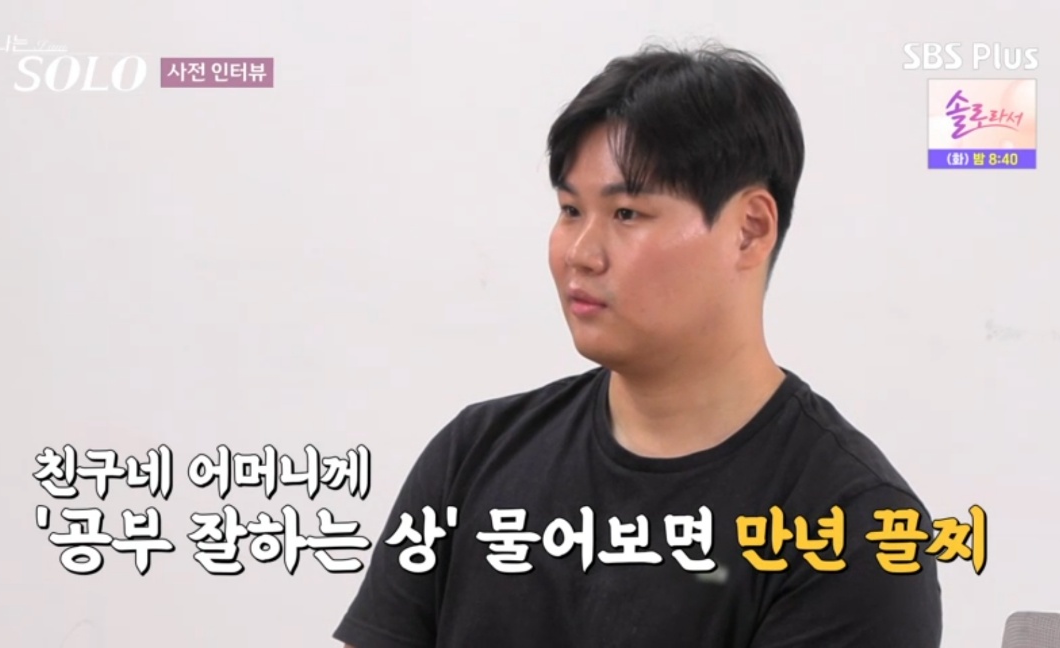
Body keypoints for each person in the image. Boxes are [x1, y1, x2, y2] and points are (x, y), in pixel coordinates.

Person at [334, 42, 943, 648]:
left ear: (749, 230)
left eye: (626, 213)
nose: (580, 254)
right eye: (570, 210)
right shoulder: (473, 457)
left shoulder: (854, 530)